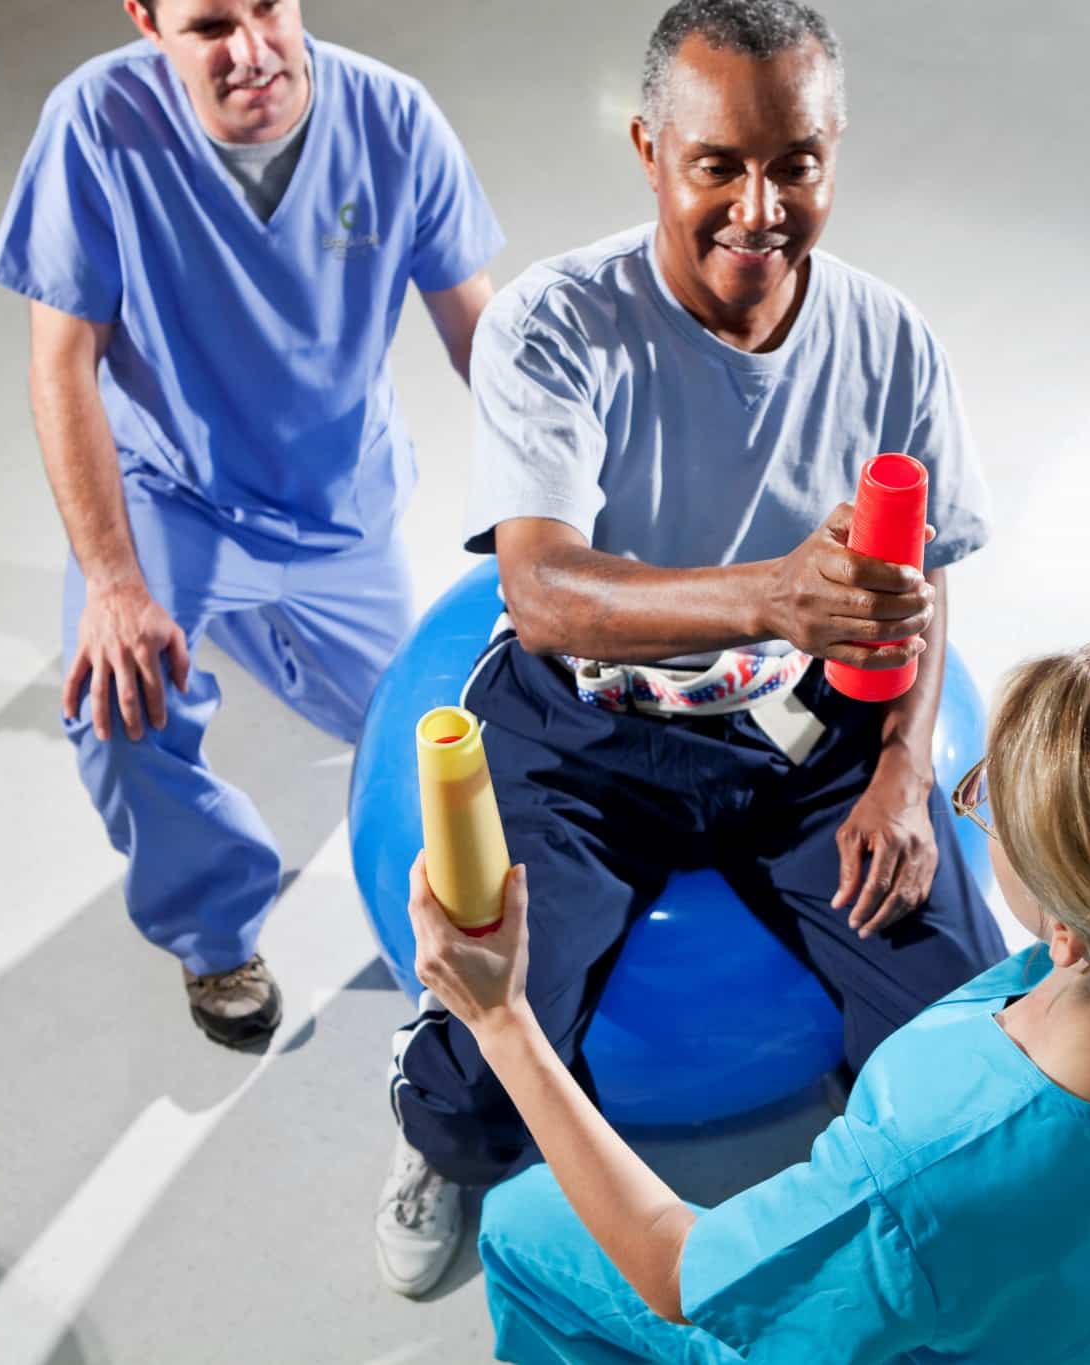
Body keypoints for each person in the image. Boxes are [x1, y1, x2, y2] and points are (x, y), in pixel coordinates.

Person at [414, 477, 1090, 1363]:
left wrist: (501, 1018)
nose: (974, 804)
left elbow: (681, 1275)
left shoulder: (933, 1153)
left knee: (524, 1223)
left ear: (1064, 932)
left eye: (989, 801)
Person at [376, 0, 1009, 1296]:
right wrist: (773, 596)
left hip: (807, 735)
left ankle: (879, 1126)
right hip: (580, 732)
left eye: (796, 164)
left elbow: (922, 577)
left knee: (966, 1025)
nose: (760, 209)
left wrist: (901, 769)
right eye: (719, 164)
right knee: (499, 1036)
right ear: (650, 148)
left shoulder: (891, 340)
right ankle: (441, 1139)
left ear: (833, 150)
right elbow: (541, 592)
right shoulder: (552, 323)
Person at [0, 0, 503, 1048]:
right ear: (146, 19)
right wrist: (114, 584)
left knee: (433, 737)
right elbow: (61, 363)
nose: (254, 51)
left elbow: (477, 334)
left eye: (267, 6)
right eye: (212, 24)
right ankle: (212, 928)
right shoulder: (97, 125)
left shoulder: (392, 120)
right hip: (171, 492)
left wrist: (570, 496)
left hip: (334, 500)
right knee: (117, 708)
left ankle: (263, 631)